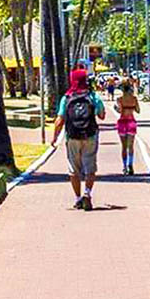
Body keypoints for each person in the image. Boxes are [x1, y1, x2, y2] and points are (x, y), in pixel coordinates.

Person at [50, 67, 106, 211]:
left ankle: (78, 198)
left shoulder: (67, 98)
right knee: (90, 167)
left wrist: (55, 137)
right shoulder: (93, 96)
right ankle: (87, 193)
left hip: (72, 136)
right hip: (90, 135)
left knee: (73, 170)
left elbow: (59, 119)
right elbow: (102, 115)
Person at [115, 80, 141, 175]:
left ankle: (124, 166)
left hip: (122, 122)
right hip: (131, 122)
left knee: (123, 146)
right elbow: (138, 110)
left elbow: (120, 110)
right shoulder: (134, 99)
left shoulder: (120, 99)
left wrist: (117, 108)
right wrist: (132, 107)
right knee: (131, 146)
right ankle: (131, 164)